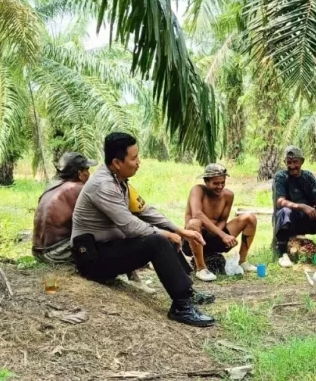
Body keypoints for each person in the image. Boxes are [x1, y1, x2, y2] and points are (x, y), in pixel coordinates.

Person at [70, 132, 216, 327]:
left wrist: (180, 231)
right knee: (157, 240)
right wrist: (165, 234)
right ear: (117, 162)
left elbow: (145, 210)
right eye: (133, 158)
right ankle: (181, 307)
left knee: (163, 236)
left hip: (110, 248)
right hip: (92, 258)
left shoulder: (119, 181)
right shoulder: (103, 186)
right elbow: (130, 226)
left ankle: (188, 293)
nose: (139, 162)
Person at [272, 146, 316, 268]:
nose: (292, 166)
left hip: (308, 219)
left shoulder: (308, 176)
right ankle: (282, 255)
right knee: (285, 211)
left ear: (302, 161)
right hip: (289, 222)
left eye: (295, 162)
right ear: (285, 162)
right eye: (289, 162)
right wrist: (302, 206)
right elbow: (280, 201)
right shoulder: (280, 176)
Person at [183, 163, 258, 281]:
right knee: (194, 223)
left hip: (215, 236)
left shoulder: (228, 195)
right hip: (195, 238)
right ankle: (201, 269)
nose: (220, 186)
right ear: (206, 182)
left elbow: (223, 219)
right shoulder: (197, 190)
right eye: (216, 183)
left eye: (222, 182)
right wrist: (222, 234)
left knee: (250, 218)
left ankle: (242, 261)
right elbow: (197, 214)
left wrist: (223, 236)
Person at [32, 153, 97, 264]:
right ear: (80, 173)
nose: (89, 174)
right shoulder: (79, 189)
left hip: (37, 252)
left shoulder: (51, 188)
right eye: (87, 170)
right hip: (55, 253)